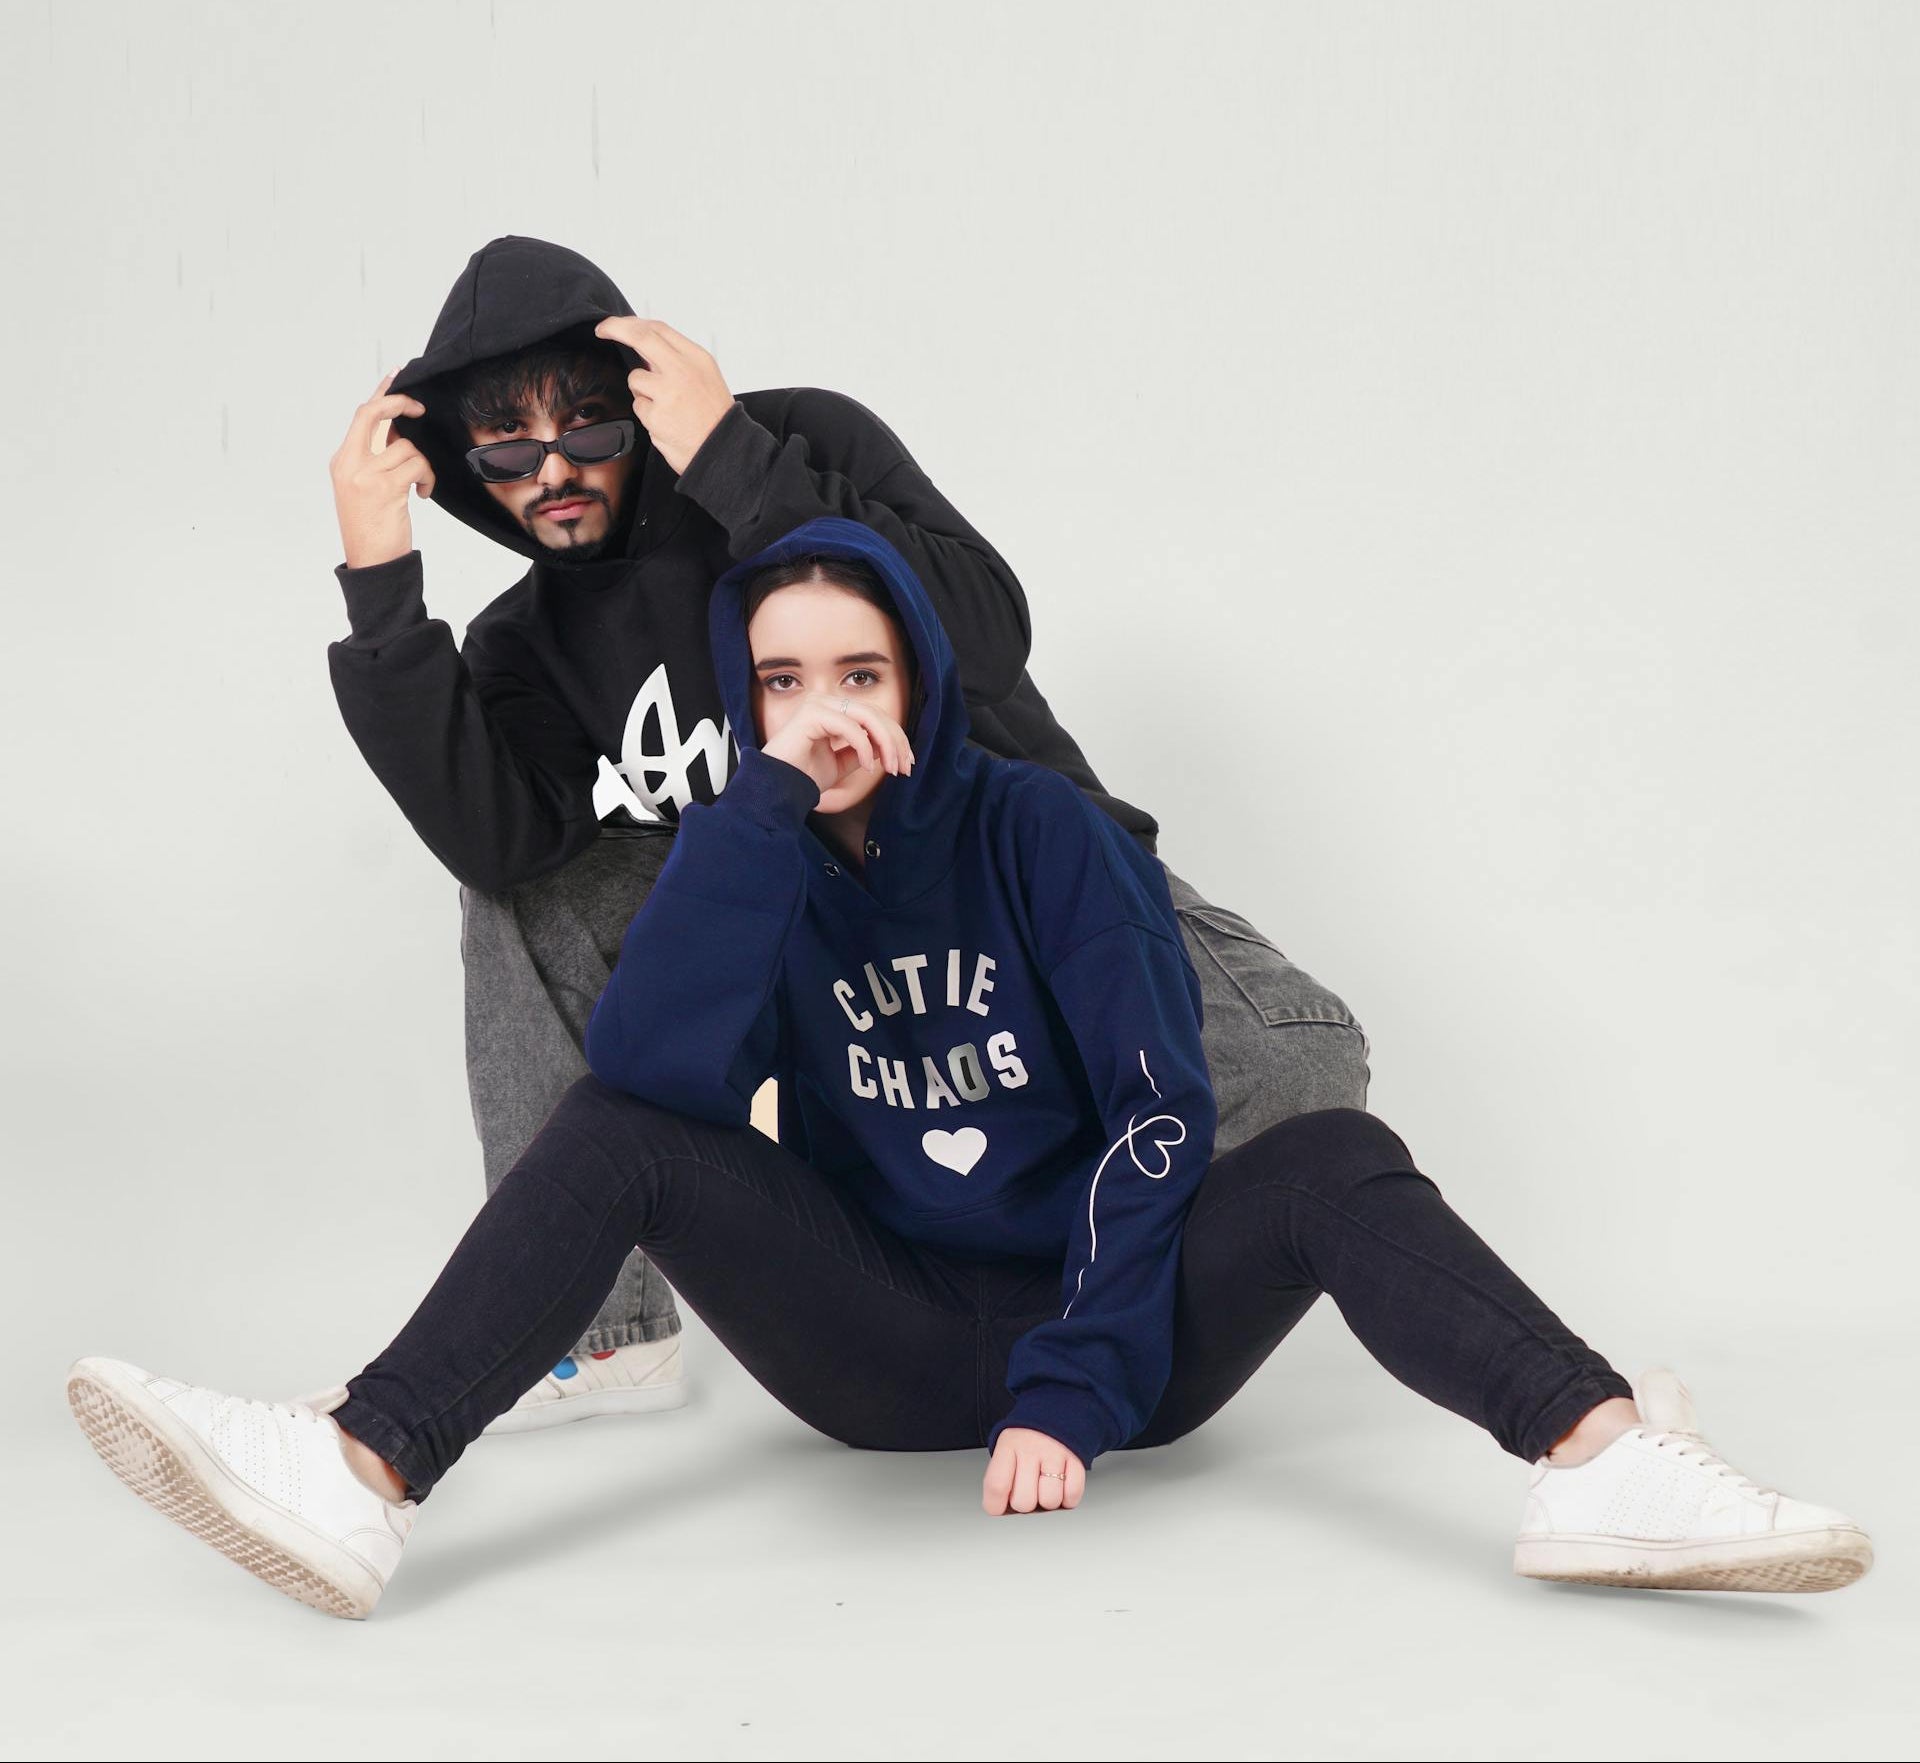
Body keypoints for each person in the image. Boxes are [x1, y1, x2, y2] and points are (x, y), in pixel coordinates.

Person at [69, 519, 1872, 1620]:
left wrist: (1077, 1381)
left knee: (1334, 1153)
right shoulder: (749, 845)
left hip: (1122, 1332)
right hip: (886, 1337)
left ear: (921, 683)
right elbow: (653, 1080)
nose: (830, 707)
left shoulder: (1041, 834)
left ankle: (1604, 1454)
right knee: (620, 1120)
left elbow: (1166, 1105)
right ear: (747, 703)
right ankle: (355, 1472)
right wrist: (758, 818)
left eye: (863, 671)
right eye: (784, 683)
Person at [325, 235, 1371, 1431]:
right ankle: (595, 1331)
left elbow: (985, 636)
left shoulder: (796, 445)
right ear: (464, 468)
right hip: (815, 947)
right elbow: (495, 843)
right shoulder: (526, 645)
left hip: (1012, 885)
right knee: (515, 884)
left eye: (591, 432)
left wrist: (732, 459)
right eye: (507, 450)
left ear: (642, 404)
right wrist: (379, 580)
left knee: (1304, 1070)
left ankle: (1063, 1255)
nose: (552, 470)